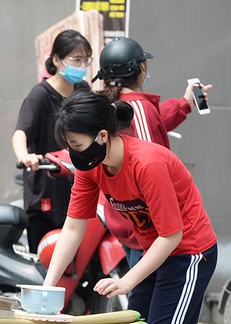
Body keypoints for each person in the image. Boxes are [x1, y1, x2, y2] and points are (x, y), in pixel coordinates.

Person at [44, 90, 217, 324]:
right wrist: (47, 285)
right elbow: (74, 227)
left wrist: (126, 281)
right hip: (152, 254)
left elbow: (172, 236)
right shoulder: (91, 167)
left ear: (103, 136)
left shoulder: (147, 163)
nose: (74, 153)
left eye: (77, 144)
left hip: (189, 255)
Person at [91, 37, 212, 268]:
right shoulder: (138, 107)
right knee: (150, 301)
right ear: (142, 68)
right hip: (148, 232)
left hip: (126, 221)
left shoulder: (112, 106)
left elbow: (149, 124)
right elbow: (148, 161)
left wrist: (184, 103)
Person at [12, 29, 92, 254]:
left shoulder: (83, 90)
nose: (82, 64)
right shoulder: (40, 95)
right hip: (46, 190)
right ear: (56, 60)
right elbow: (20, 133)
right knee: (44, 258)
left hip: (77, 188)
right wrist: (24, 156)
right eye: (77, 59)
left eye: (86, 59)